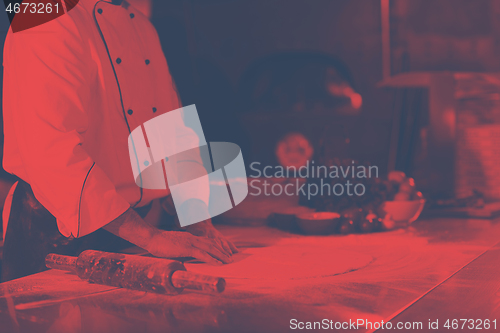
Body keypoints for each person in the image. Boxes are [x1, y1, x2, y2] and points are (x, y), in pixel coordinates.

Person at [1, 0, 236, 282]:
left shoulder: (140, 24)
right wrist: (149, 237)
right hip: (55, 238)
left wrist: (197, 217)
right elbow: (51, 152)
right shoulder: (41, 17)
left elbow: (172, 131)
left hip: (130, 234)